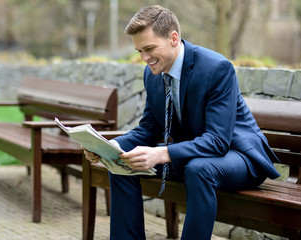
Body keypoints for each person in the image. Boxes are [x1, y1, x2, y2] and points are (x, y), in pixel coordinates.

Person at [84, 5, 280, 240]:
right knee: (122, 161)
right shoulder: (152, 72)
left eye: (149, 48)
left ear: (173, 39)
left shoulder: (216, 68)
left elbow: (218, 141)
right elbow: (149, 128)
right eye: (139, 51)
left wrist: (161, 153)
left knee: (199, 169)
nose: (145, 58)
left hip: (239, 156)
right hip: (193, 156)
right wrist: (111, 148)